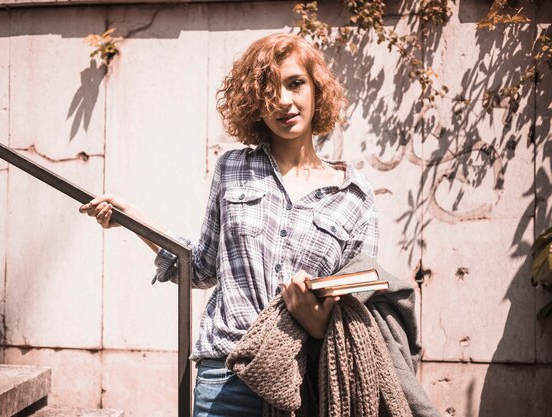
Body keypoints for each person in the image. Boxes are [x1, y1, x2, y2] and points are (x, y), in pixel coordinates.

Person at [79, 32, 378, 417]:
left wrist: (316, 324)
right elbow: (202, 266)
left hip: (307, 380)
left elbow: (359, 310)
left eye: (295, 84)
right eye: (269, 90)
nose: (284, 101)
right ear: (256, 103)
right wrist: (135, 220)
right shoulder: (233, 168)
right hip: (225, 376)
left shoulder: (354, 194)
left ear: (316, 90)